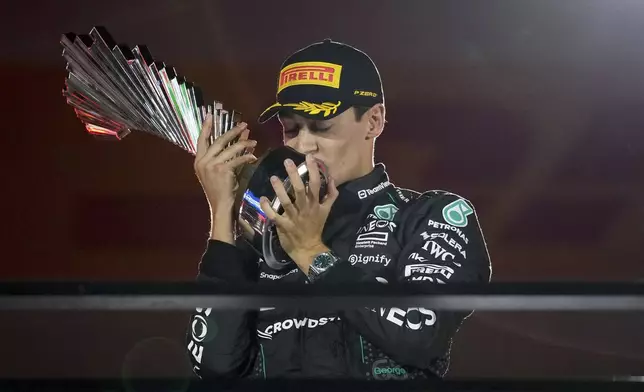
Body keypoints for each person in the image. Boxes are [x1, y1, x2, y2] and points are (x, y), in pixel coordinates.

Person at [186, 38, 492, 380]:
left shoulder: (430, 216)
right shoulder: (263, 239)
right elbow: (214, 367)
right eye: (291, 128)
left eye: (321, 126)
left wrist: (311, 252)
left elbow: (420, 334)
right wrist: (225, 218)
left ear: (374, 121)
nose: (304, 144)